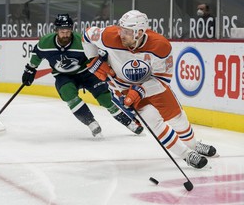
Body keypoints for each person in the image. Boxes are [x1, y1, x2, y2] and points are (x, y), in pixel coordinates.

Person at [82, 10, 217, 168]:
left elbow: (163, 79)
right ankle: (187, 155)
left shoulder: (160, 45)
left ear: (139, 32)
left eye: (126, 31)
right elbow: (87, 35)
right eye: (121, 29)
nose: (121, 34)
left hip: (153, 85)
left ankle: (193, 145)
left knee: (177, 117)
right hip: (123, 87)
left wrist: (141, 90)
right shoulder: (109, 36)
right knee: (153, 120)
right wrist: (93, 59)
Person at [21, 14, 143, 137]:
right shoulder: (45, 42)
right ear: (56, 31)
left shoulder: (81, 42)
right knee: (68, 94)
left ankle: (129, 123)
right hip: (63, 75)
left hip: (87, 73)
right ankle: (91, 123)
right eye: (62, 31)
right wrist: (30, 69)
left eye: (68, 31)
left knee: (105, 99)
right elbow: (37, 55)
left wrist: (102, 58)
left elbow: (95, 55)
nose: (65, 34)